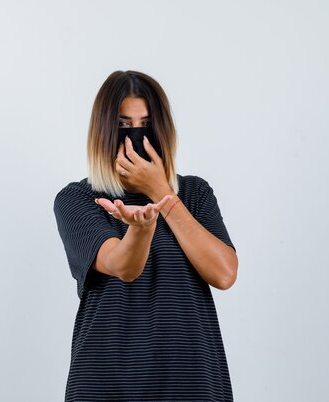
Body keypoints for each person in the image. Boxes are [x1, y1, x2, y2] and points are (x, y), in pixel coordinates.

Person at [53, 70, 239, 401]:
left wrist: (162, 194)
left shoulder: (194, 194)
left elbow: (224, 273)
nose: (136, 135)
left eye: (146, 123)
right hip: (105, 378)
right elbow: (122, 266)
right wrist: (141, 229)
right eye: (124, 125)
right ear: (105, 132)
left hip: (192, 378)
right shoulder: (81, 199)